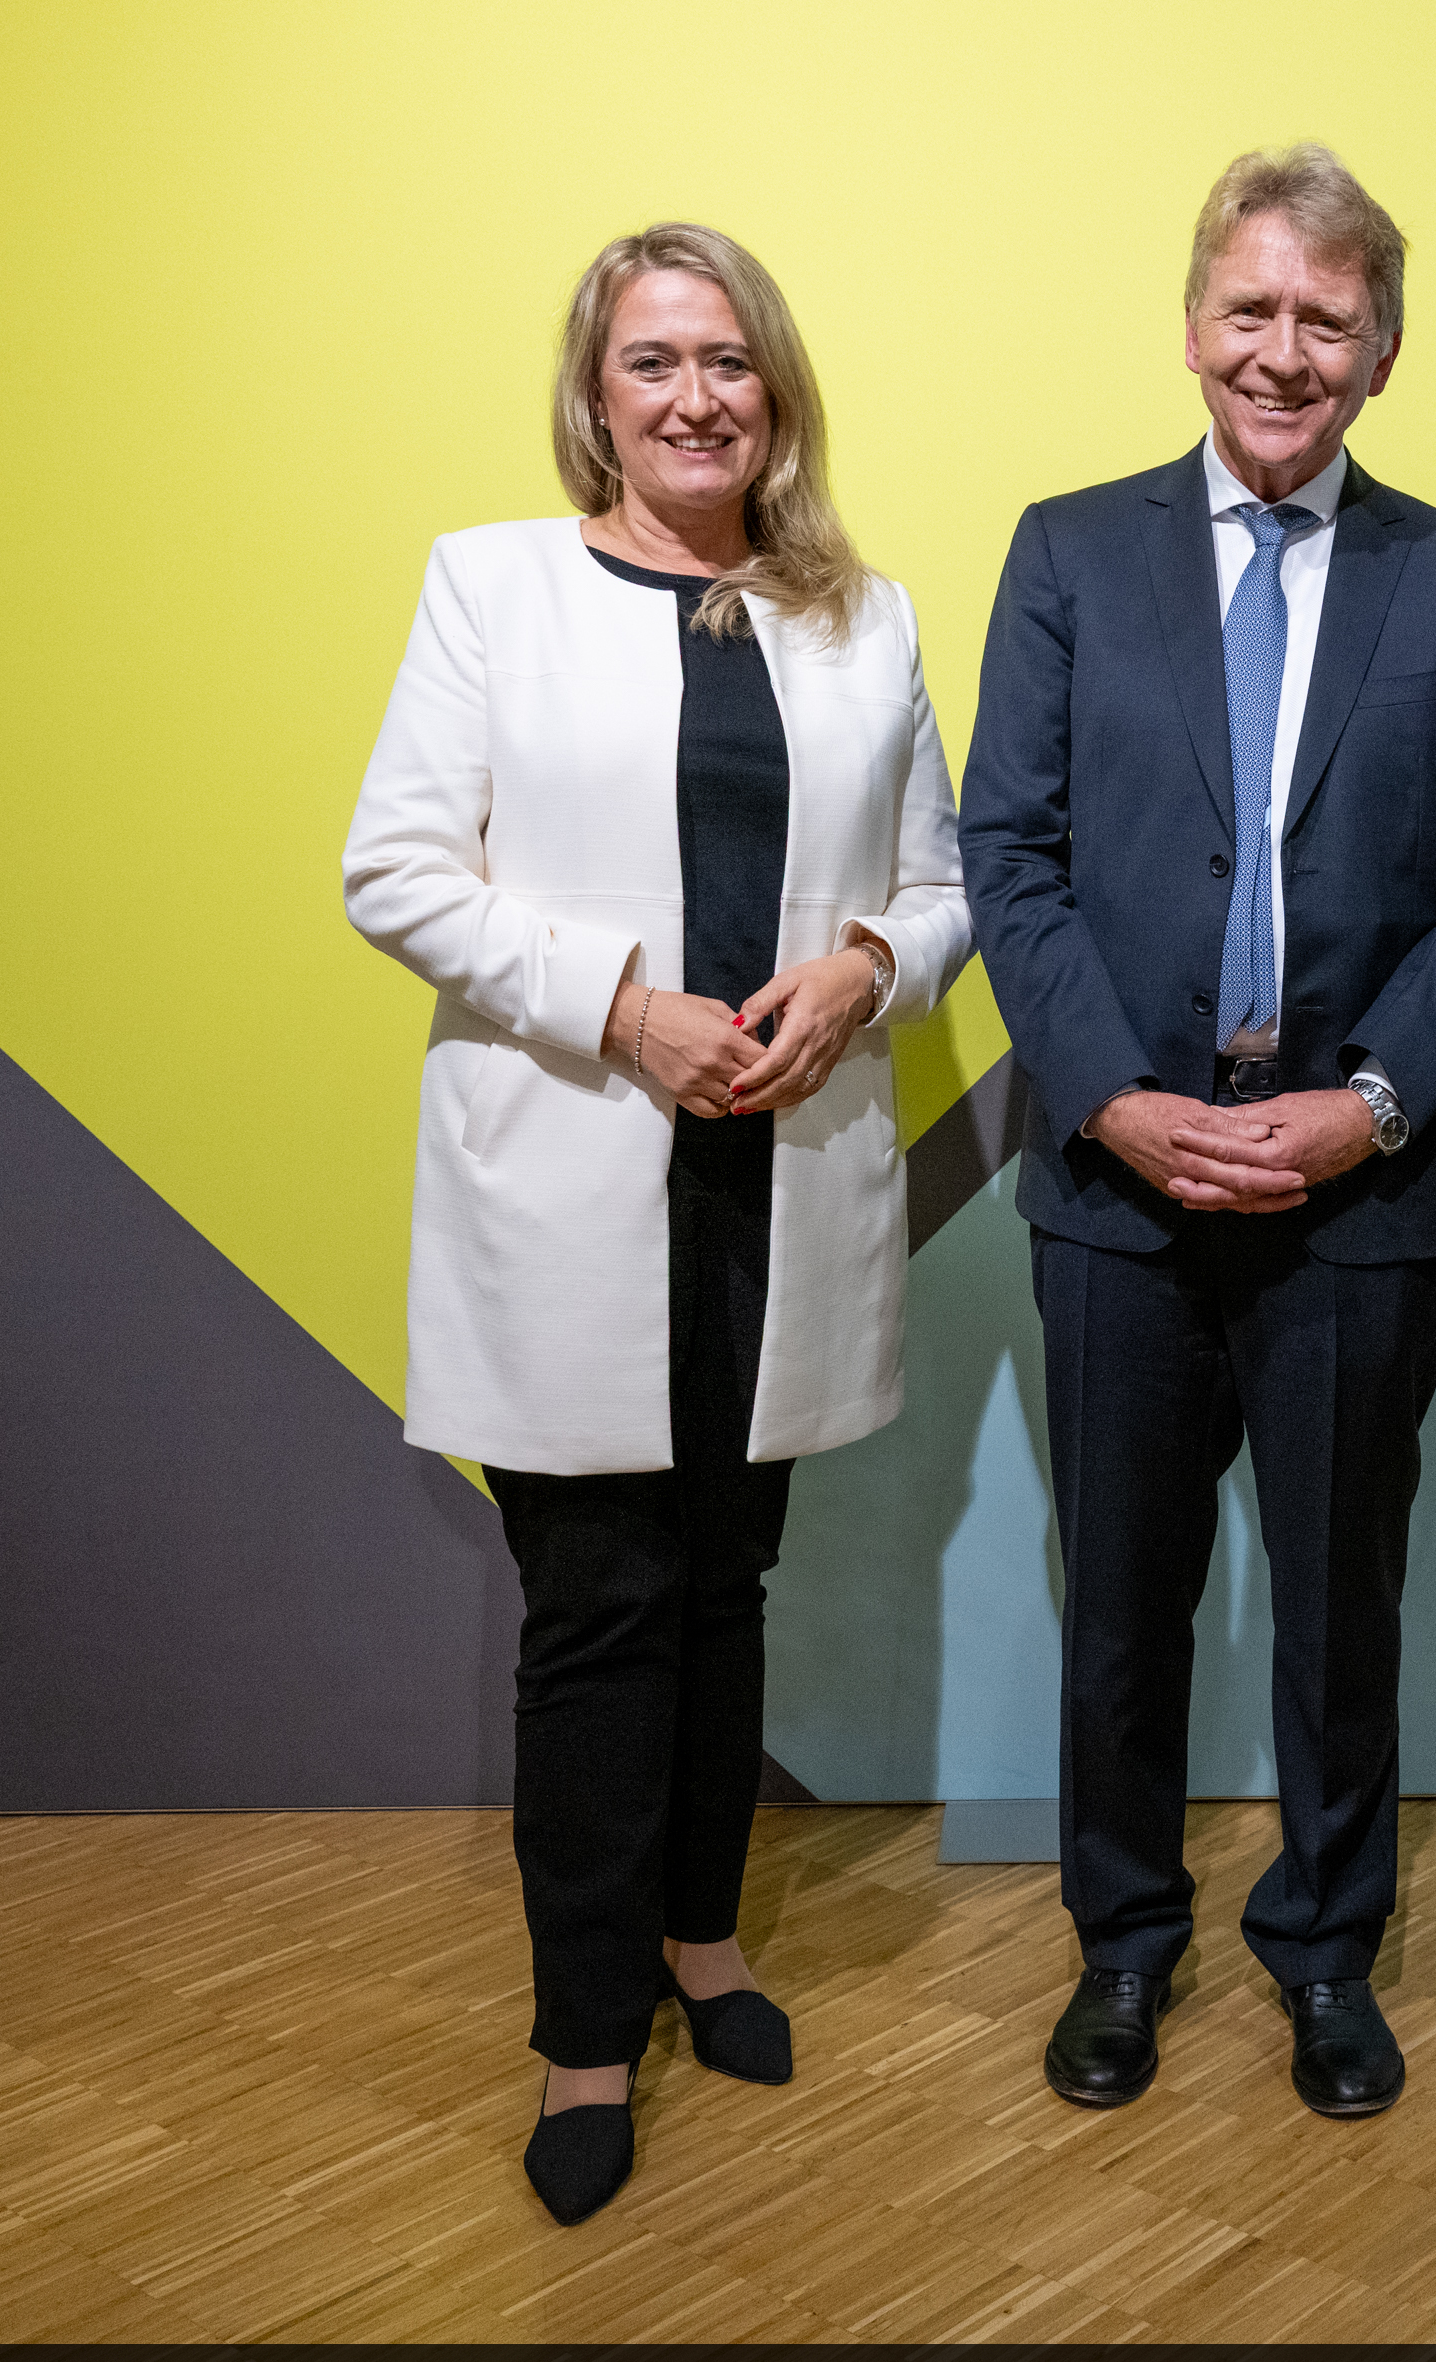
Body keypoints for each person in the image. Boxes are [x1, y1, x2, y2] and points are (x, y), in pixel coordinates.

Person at [342, 223, 970, 2226]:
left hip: (776, 1185)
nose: (695, 394)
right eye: (651, 363)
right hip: (583, 1178)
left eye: (729, 358)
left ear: (775, 388)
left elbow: (941, 884)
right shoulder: (491, 585)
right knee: (598, 1616)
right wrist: (620, 998)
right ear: (593, 395)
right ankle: (585, 2031)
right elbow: (394, 867)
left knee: (726, 1592)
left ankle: (705, 1938)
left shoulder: (859, 615)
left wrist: (865, 967)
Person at [960, 143, 1436, 2121]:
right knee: (1117, 1601)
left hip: (1354, 1202)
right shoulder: (1064, 552)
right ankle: (1122, 1945)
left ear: (1380, 351)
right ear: (1189, 323)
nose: (1281, 353)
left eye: (1326, 318)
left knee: (1333, 1601)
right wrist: (1113, 1098)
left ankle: (1322, 1948)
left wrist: (1368, 1104)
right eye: (1249, 311)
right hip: (1114, 1190)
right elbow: (1008, 856)